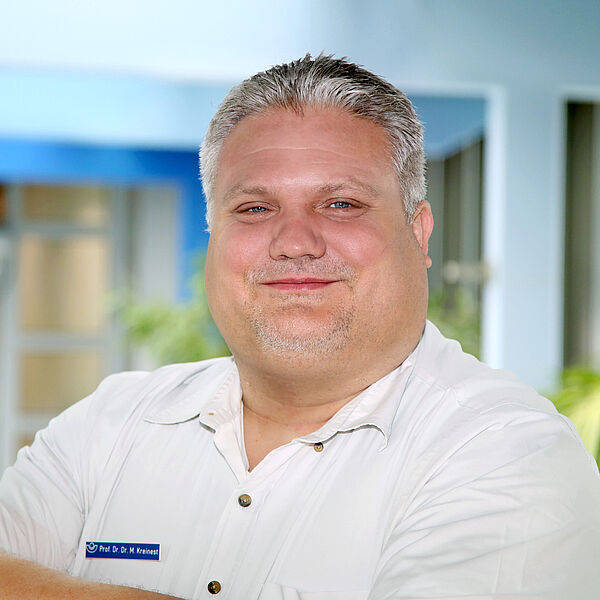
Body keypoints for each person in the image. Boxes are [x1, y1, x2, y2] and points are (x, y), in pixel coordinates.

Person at [1, 54, 600, 600]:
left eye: (341, 204)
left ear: (418, 234)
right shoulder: (109, 423)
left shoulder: (507, 449)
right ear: (213, 236)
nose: (294, 242)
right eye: (255, 208)